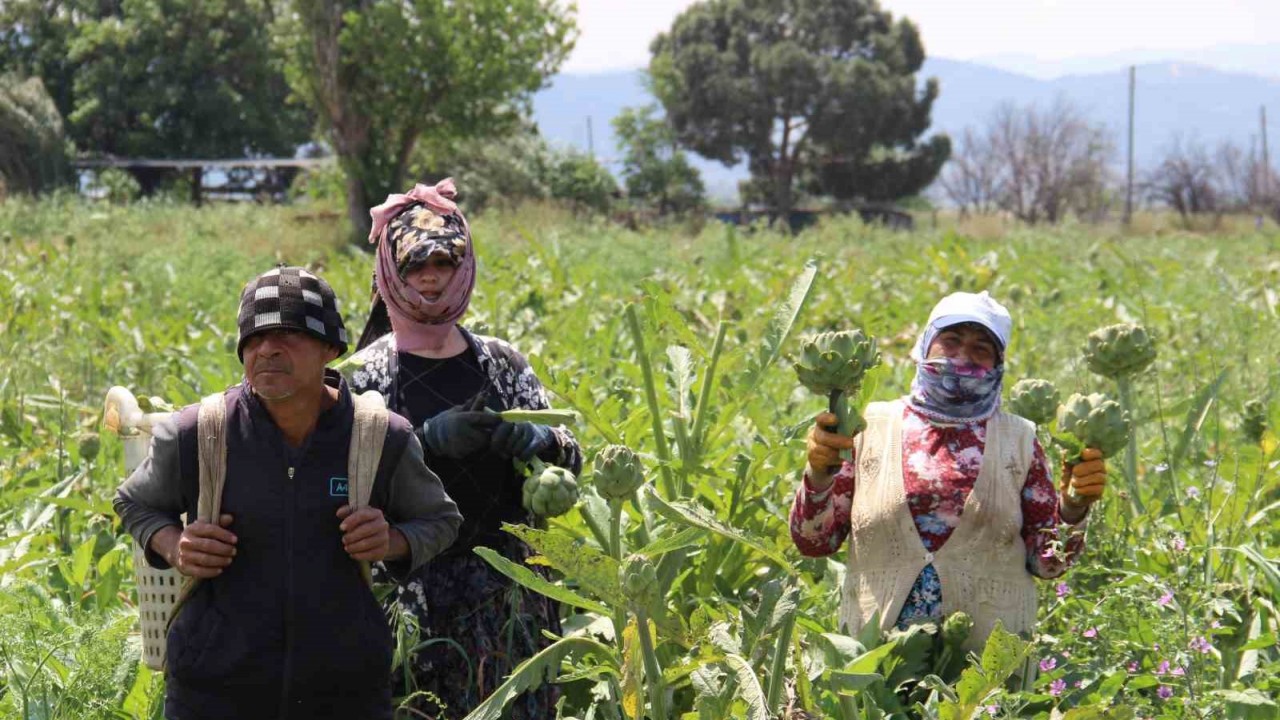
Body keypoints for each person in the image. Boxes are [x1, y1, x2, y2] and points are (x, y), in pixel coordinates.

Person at [114, 266, 463, 720]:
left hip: (343, 690)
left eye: (289, 335)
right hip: (215, 688)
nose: (268, 350)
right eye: (254, 339)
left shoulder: (378, 438)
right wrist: (175, 545)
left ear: (330, 349)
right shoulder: (199, 433)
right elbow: (133, 501)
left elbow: (441, 520)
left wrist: (392, 542)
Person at [339, 178, 582, 718]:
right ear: (389, 274)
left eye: (444, 263)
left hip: (511, 592)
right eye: (414, 265)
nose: (430, 277)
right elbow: (336, 479)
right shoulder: (365, 374)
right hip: (405, 595)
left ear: (464, 268)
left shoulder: (502, 362)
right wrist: (421, 444)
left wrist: (542, 442)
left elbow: (572, 454)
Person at [791, 291, 1107, 651]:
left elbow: (1047, 564)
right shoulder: (867, 427)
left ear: (999, 365)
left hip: (985, 665)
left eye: (981, 350)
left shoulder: (1020, 440)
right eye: (951, 341)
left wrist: (1074, 508)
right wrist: (818, 477)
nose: (963, 357)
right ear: (924, 347)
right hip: (875, 658)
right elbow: (814, 542)